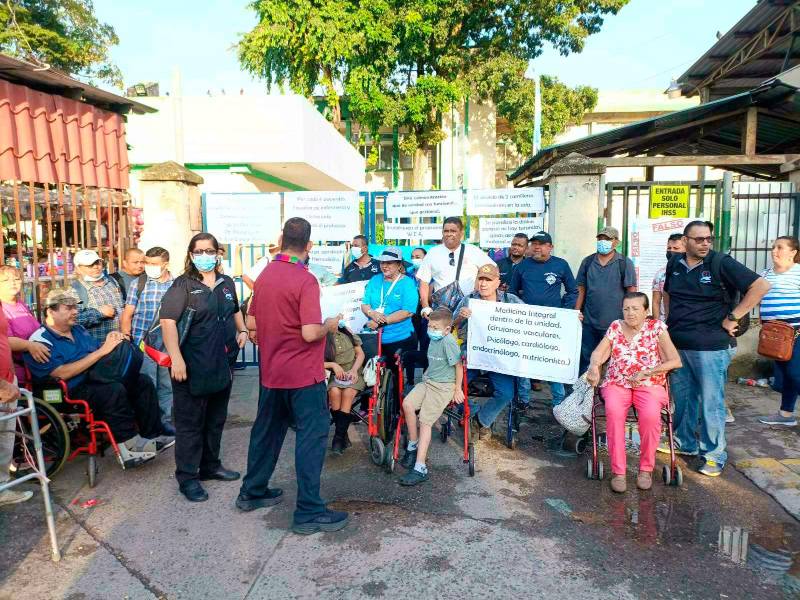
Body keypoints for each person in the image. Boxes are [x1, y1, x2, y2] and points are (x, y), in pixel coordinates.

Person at [238, 218, 348, 534]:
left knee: (267, 432)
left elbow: (252, 322)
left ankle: (252, 491)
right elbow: (310, 332)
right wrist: (329, 325)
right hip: (303, 374)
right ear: (309, 246)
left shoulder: (265, 275)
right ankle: (309, 511)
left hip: (271, 372)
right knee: (311, 438)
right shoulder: (306, 279)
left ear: (282, 239)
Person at [661, 220, 770, 477]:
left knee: (711, 403)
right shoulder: (674, 263)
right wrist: (669, 324)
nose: (705, 243)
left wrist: (734, 316)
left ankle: (713, 454)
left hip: (711, 346)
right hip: (679, 344)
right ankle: (685, 442)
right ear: (685, 241)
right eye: (699, 239)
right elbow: (668, 294)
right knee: (683, 398)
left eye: (709, 239)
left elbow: (761, 286)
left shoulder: (721, 263)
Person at [25, 288, 172, 467]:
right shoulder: (40, 340)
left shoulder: (78, 329)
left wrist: (111, 340)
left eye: (75, 307)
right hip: (68, 391)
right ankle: (129, 446)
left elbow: (97, 349)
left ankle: (153, 434)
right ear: (50, 311)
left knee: (141, 381)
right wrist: (101, 352)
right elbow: (61, 373)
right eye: (69, 308)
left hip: (94, 377)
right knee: (112, 390)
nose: (75, 312)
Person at [160, 233, 248, 502]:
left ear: (217, 253)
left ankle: (210, 466)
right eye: (198, 251)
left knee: (215, 419)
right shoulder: (183, 285)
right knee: (190, 424)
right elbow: (167, 322)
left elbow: (235, 309)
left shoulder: (226, 283)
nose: (204, 256)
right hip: (190, 366)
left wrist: (243, 329)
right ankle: (187, 478)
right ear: (191, 255)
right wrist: (176, 358)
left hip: (222, 363)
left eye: (209, 251)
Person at [585, 293, 682, 493]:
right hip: (617, 383)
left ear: (646, 311)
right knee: (613, 413)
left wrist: (649, 371)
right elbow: (598, 352)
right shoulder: (615, 327)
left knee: (651, 416)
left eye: (636, 308)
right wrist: (594, 366)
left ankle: (645, 470)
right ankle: (618, 473)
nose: (630, 313)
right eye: (626, 309)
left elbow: (675, 361)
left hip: (649, 384)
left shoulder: (656, 328)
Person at [454, 264, 525, 438]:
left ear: (497, 283)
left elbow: (533, 318)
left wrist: (571, 319)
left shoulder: (510, 300)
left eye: (488, 280)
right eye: (481, 279)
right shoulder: (468, 300)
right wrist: (460, 317)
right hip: (472, 352)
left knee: (506, 393)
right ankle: (473, 411)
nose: (483, 284)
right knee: (450, 387)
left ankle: (481, 420)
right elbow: (450, 326)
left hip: (499, 356)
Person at [509, 231, 578, 407]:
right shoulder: (522, 266)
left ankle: (559, 403)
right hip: (527, 323)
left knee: (552, 361)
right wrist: (519, 312)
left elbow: (573, 291)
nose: (537, 247)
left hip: (553, 324)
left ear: (550, 247)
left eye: (541, 244)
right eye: (534, 244)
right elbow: (512, 293)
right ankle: (523, 401)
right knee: (524, 361)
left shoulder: (561, 265)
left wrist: (564, 312)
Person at [398, 308, 463, 486]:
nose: (431, 330)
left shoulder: (448, 342)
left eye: (435, 328)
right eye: (430, 326)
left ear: (447, 329)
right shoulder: (434, 339)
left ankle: (420, 468)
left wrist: (458, 389)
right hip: (428, 381)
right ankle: (412, 445)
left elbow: (458, 366)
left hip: (443, 386)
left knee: (425, 421)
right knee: (407, 404)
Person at [121, 247, 175, 435]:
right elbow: (127, 314)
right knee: (148, 385)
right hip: (142, 345)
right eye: (147, 263)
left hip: (166, 346)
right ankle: (149, 425)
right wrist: (127, 338)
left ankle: (164, 422)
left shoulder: (176, 285)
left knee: (166, 385)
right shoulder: (139, 284)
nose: (149, 267)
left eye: (154, 264)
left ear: (165, 264)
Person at [575, 226, 637, 375]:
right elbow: (580, 289)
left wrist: (631, 317)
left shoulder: (624, 263)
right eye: (600, 238)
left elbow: (632, 292)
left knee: (613, 362)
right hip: (589, 322)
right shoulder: (588, 262)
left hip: (615, 324)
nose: (603, 241)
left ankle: (607, 389)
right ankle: (586, 388)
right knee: (587, 360)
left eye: (607, 239)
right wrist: (576, 311)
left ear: (616, 242)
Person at [758, 236, 800, 427]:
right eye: (773, 247)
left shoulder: (798, 272)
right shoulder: (765, 274)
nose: (774, 251)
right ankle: (786, 415)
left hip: (796, 332)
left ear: (793, 252)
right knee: (783, 378)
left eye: (780, 247)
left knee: (794, 373)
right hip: (774, 335)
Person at [416, 217, 495, 317]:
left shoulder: (473, 251)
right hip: (441, 311)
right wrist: (425, 307)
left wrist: (480, 284)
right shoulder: (433, 253)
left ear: (461, 233)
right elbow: (424, 282)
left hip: (469, 310)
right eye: (446, 231)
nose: (449, 234)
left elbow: (493, 269)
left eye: (453, 231)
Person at [361, 247, 419, 377]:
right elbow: (365, 303)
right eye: (382, 262)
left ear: (399, 265)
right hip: (375, 338)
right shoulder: (375, 280)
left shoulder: (408, 283)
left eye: (389, 263)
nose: (384, 266)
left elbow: (407, 312)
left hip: (399, 337)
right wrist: (372, 313)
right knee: (375, 376)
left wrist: (381, 321)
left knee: (396, 377)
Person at [0, 296, 31, 506]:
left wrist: (11, 376)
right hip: (3, 385)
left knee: (5, 438)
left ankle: (2, 487)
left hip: (8, 380)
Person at [0, 266, 50, 386]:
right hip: (17, 373)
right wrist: (29, 345)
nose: (13, 283)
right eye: (6, 280)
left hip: (35, 367)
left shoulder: (20, 303)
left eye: (16, 279)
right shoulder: (2, 308)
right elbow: (5, 340)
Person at [324, 323, 365, 454]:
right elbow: (314, 361)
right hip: (335, 375)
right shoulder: (322, 337)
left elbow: (360, 354)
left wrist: (354, 370)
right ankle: (342, 435)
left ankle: (338, 439)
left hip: (354, 372)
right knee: (334, 391)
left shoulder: (348, 334)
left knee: (347, 393)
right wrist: (333, 365)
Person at [71, 249, 125, 342]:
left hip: (121, 342)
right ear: (78, 269)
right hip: (98, 346)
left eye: (97, 263)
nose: (95, 267)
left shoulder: (112, 281)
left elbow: (122, 305)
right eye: (89, 265)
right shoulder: (75, 290)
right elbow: (73, 320)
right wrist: (99, 313)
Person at [406, 247, 430, 384]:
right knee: (411, 346)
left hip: (426, 313)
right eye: (412, 257)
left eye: (418, 257)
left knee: (426, 346)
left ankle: (426, 379)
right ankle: (409, 380)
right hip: (410, 313)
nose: (414, 259)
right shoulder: (408, 273)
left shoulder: (431, 274)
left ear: (425, 258)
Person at [652, 234, 686, 321]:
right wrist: (657, 324)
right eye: (669, 248)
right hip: (665, 323)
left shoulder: (693, 272)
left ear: (686, 249)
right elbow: (656, 302)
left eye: (676, 248)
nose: (671, 251)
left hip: (687, 321)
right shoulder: (660, 274)